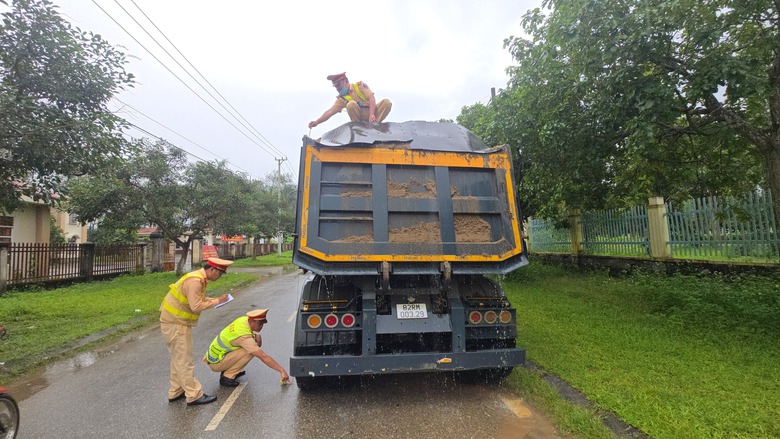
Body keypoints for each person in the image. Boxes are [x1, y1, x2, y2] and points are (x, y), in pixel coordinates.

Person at [160, 257, 233, 406]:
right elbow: (196, 306)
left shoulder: (198, 278)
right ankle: (194, 395)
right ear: (212, 269)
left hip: (174, 321)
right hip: (176, 323)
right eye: (219, 274)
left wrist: (219, 299)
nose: (219, 277)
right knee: (184, 361)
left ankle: (176, 390)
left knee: (177, 360)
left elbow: (198, 299)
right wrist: (217, 301)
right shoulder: (195, 282)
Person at [203, 309, 290, 387]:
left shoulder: (243, 320)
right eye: (259, 324)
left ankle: (229, 369)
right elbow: (263, 356)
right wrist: (281, 370)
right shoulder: (243, 336)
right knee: (251, 351)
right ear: (251, 321)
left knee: (251, 346)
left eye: (263, 324)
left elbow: (241, 335)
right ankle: (227, 376)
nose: (261, 326)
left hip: (216, 357)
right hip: (216, 363)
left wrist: (256, 336)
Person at [308, 72, 392, 128]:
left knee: (387, 102)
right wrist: (317, 122)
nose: (338, 88)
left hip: (373, 116)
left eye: (338, 84)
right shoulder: (342, 98)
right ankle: (357, 128)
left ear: (346, 81)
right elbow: (330, 112)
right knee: (350, 104)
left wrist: (371, 115)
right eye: (335, 86)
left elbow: (371, 98)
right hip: (360, 122)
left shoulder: (359, 86)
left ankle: (376, 126)